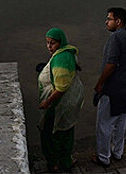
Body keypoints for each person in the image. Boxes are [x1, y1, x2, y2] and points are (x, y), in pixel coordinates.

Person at [91, 8, 126, 168]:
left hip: (113, 89)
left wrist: (100, 83)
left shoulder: (115, 38)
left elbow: (111, 64)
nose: (106, 21)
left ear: (118, 21)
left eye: (109, 19)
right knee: (120, 123)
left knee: (104, 125)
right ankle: (118, 152)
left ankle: (103, 157)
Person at [38, 28, 84, 172]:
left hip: (59, 104)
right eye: (47, 43)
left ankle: (53, 163)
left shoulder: (61, 59)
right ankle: (66, 161)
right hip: (70, 103)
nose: (49, 46)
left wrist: (47, 102)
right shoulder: (67, 52)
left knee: (50, 133)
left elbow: (61, 88)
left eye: (53, 43)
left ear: (60, 42)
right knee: (66, 131)